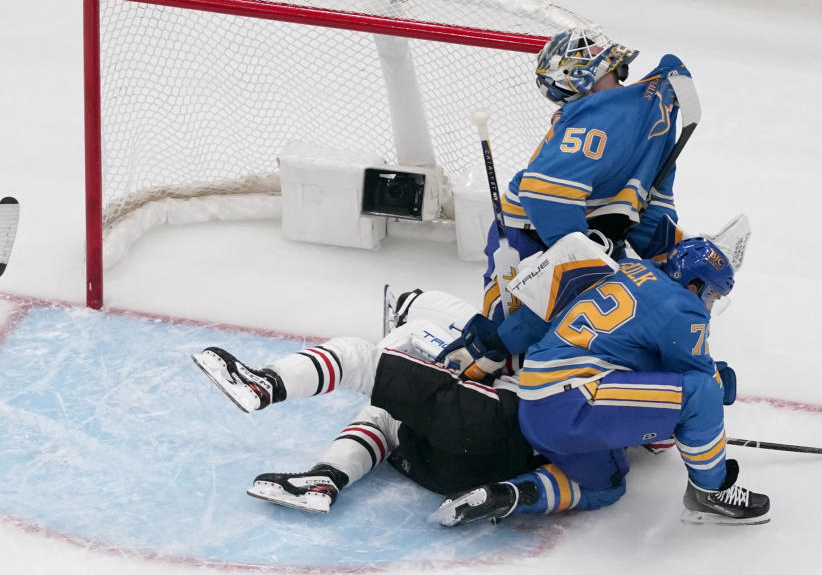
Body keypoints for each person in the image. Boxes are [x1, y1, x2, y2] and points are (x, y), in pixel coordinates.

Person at [430, 237, 771, 526]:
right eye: (711, 296)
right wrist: (721, 381)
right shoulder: (684, 307)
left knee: (607, 486)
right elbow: (699, 380)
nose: (709, 307)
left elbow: (637, 350)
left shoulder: (631, 270)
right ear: (694, 286)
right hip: (574, 403)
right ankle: (710, 494)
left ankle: (509, 495)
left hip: (536, 407)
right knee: (703, 394)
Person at [443, 28, 701, 380]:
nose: (567, 102)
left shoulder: (615, 115)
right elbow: (544, 195)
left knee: (521, 343)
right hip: (531, 240)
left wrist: (666, 258)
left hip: (561, 235)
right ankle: (420, 310)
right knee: (506, 344)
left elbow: (637, 205)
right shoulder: (650, 108)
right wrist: (588, 252)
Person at [190, 296, 546, 513]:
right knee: (387, 416)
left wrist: (481, 356)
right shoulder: (593, 353)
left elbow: (512, 335)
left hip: (485, 422)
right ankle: (325, 479)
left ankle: (265, 383)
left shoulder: (427, 320)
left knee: (358, 358)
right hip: (478, 468)